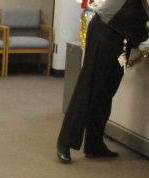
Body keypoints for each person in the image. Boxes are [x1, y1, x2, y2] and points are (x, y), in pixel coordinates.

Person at [56, 0, 149, 163]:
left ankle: (94, 144)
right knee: (88, 87)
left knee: (107, 91)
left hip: (123, 41)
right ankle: (65, 143)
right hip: (106, 31)